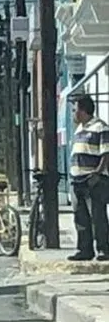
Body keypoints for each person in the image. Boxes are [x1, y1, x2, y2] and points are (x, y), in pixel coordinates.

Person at [69, 95, 109, 262]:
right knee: (80, 216)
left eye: (75, 109)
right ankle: (84, 249)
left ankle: (103, 249)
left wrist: (98, 173)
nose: (73, 113)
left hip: (93, 179)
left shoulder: (100, 127)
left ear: (83, 110)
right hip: (77, 179)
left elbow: (106, 152)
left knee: (97, 216)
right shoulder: (79, 128)